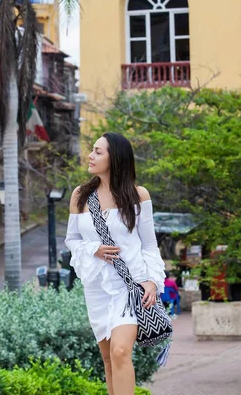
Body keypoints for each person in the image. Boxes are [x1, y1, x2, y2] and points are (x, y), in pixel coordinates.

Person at [64, 133, 166, 395]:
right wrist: (93, 249)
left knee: (121, 351)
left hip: (130, 287)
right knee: (109, 358)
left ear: (115, 158)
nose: (91, 155)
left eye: (98, 152)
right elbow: (72, 240)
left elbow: (149, 244)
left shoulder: (138, 196)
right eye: (92, 150)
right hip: (97, 288)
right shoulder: (81, 195)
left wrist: (153, 280)